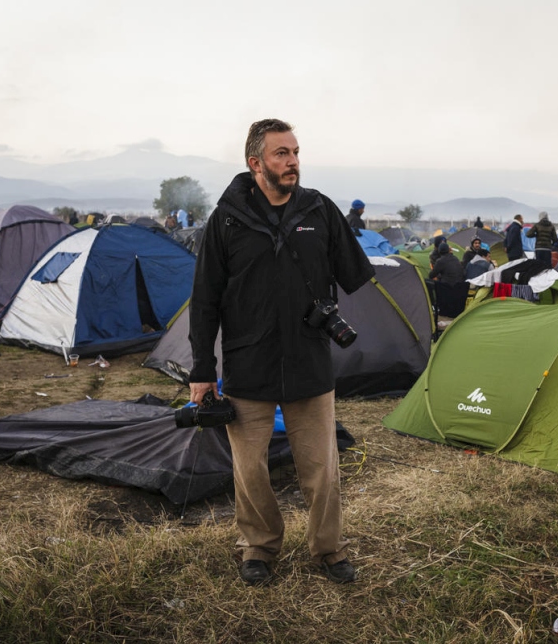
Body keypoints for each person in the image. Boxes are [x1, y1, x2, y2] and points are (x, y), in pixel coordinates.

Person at [188, 118, 374, 586]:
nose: (292, 162)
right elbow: (205, 301)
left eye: (294, 152)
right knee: (250, 469)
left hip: (309, 360)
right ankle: (259, 547)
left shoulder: (319, 209)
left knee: (322, 468)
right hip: (248, 362)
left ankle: (329, 549)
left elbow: (355, 272)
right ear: (256, 163)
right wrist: (201, 370)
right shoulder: (226, 220)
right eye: (281, 154)